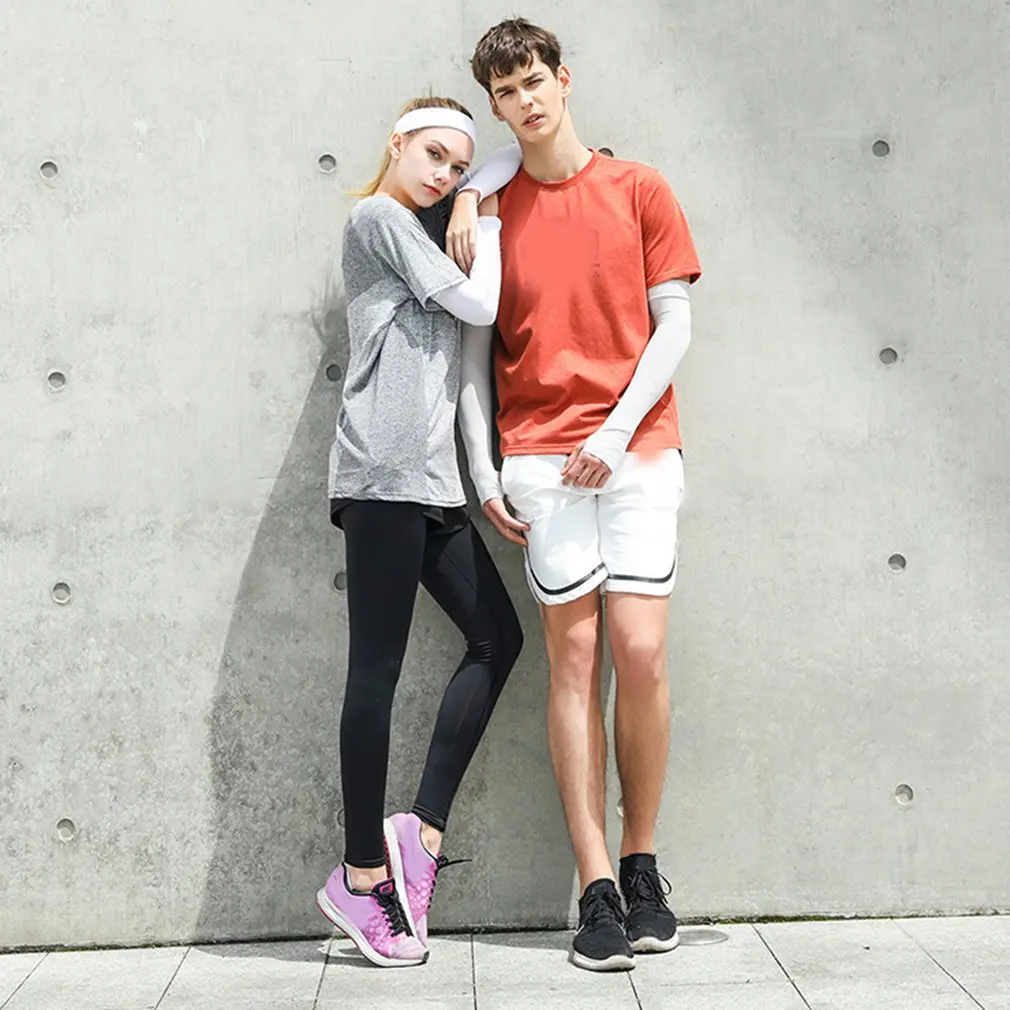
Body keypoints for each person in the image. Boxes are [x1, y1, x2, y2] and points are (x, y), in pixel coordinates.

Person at [451, 20, 702, 972]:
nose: (525, 102)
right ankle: (595, 887)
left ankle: (642, 865)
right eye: (505, 93)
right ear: (496, 107)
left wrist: (612, 432)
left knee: (640, 652)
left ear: (564, 79)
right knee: (576, 659)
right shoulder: (491, 212)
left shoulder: (640, 188)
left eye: (533, 82)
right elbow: (475, 354)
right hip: (539, 465)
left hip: (636, 450)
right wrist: (484, 472)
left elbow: (674, 327)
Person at [317, 96, 524, 968]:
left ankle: (421, 834)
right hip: (380, 475)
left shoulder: (438, 225)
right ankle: (361, 876)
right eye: (433, 155)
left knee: (498, 638)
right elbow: (481, 306)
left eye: (456, 164)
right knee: (376, 670)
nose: (444, 173)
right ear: (396, 144)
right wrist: (482, 216)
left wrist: (473, 195)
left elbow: (506, 162)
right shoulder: (379, 219)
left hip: (432, 482)